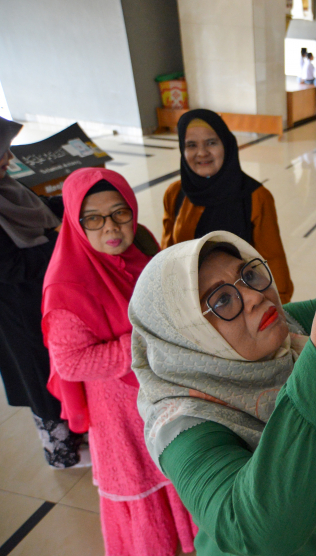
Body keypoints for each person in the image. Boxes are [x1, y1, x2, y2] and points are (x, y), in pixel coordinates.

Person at [130, 195, 316, 556]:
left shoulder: (286, 326)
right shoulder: (181, 425)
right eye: (222, 300)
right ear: (188, 339)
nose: (255, 297)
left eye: (249, 274)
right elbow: (252, 532)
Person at [42, 167, 197, 556]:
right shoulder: (66, 284)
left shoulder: (139, 254)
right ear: (76, 223)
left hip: (159, 393)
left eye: (120, 212)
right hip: (119, 412)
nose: (110, 226)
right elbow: (72, 363)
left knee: (175, 470)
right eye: (92, 218)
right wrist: (146, 339)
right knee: (144, 487)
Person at [0, 116, 85, 468]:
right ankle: (61, 452)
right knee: (39, 373)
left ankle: (78, 432)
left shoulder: (8, 188)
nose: (6, 158)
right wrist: (59, 243)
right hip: (18, 310)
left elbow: (41, 209)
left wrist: (77, 199)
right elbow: (11, 266)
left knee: (61, 365)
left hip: (44, 298)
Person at [161, 109, 294, 303]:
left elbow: (272, 259)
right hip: (191, 302)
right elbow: (167, 254)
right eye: (191, 145)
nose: (202, 152)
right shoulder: (175, 194)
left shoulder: (256, 197)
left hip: (243, 304)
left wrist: (280, 305)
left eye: (211, 142)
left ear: (227, 144)